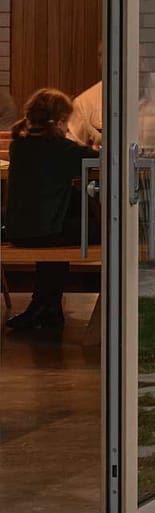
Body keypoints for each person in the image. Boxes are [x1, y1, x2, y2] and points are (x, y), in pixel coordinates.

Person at [5, 88, 91, 334]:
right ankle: (45, 306)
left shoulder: (18, 145)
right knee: (109, 226)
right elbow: (102, 160)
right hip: (45, 231)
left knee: (64, 220)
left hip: (19, 230)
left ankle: (47, 307)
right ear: (61, 120)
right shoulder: (62, 149)